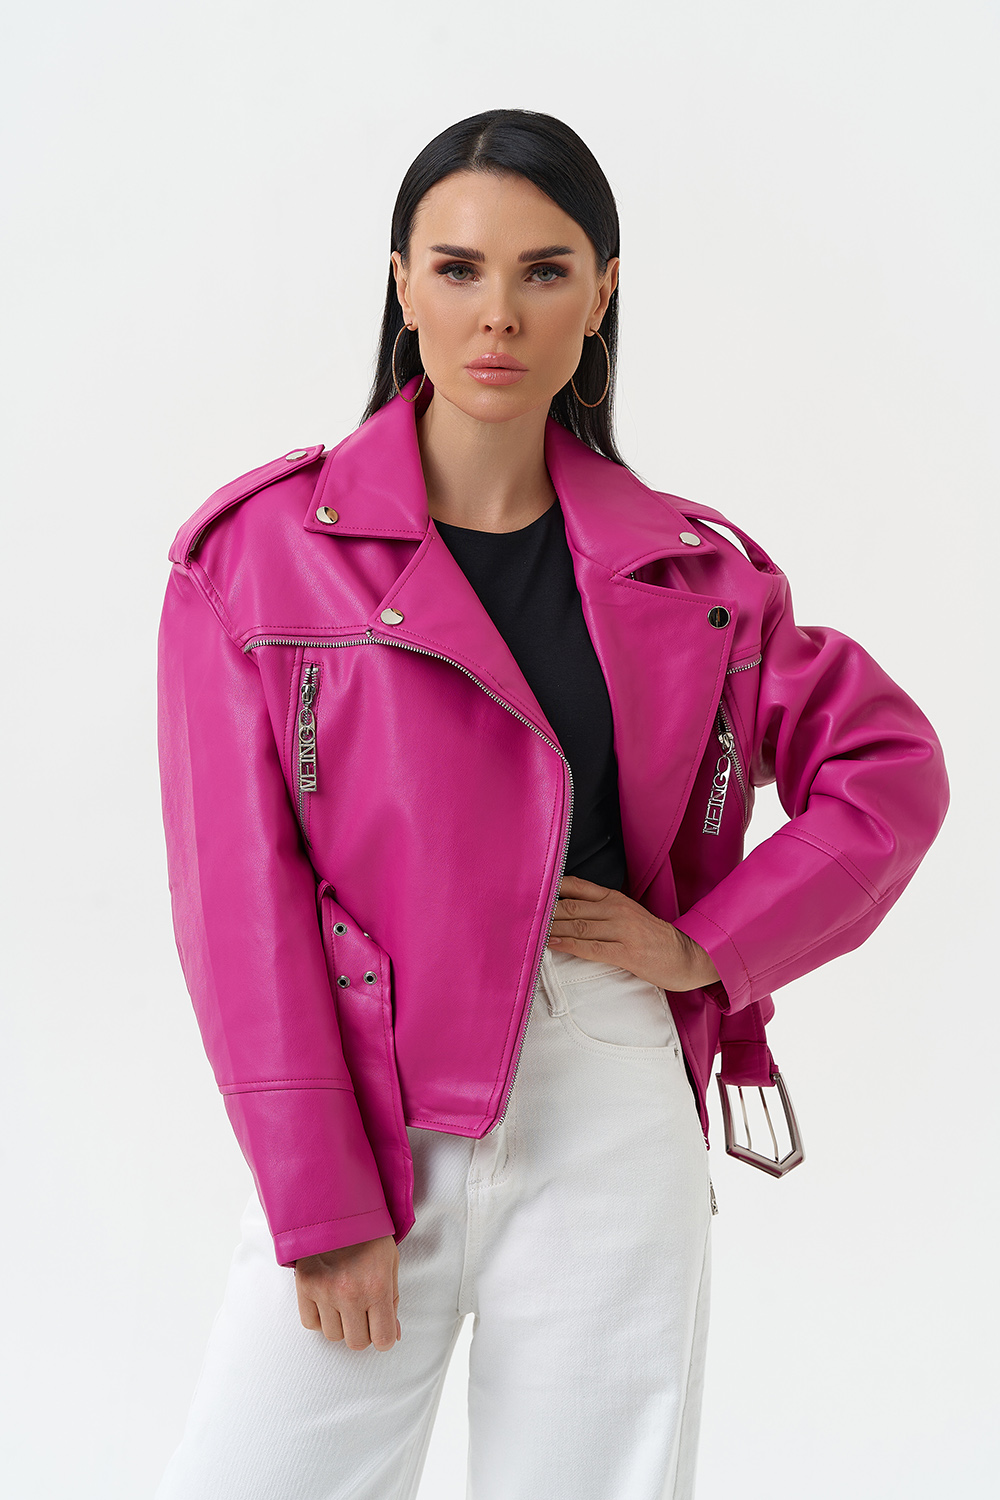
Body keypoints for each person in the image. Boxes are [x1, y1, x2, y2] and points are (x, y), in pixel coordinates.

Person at [153, 108, 948, 1500]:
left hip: (608, 1094)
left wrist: (709, 947)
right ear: (402, 284)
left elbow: (886, 767)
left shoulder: (695, 574)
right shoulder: (258, 557)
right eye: (458, 269)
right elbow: (240, 902)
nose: (499, 315)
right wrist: (320, 1197)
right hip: (374, 1104)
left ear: (603, 289)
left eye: (545, 270)